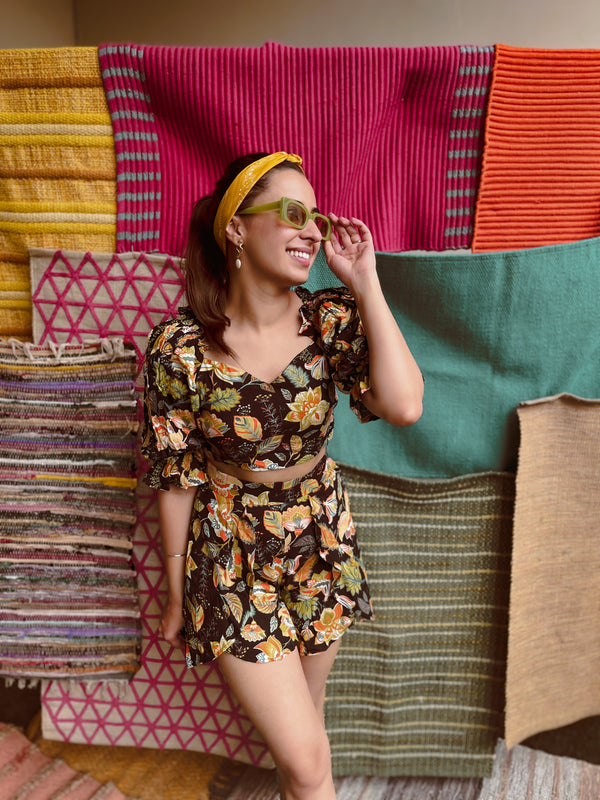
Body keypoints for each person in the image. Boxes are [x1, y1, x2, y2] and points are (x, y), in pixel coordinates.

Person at [142, 151, 423, 800]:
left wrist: (366, 283)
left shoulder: (328, 321)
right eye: (294, 213)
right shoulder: (178, 350)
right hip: (230, 552)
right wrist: (178, 591)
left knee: (307, 747)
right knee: (305, 760)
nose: (313, 232)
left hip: (319, 538)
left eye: (317, 218)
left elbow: (405, 405)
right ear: (237, 228)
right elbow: (176, 474)